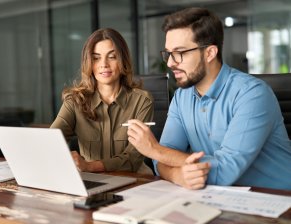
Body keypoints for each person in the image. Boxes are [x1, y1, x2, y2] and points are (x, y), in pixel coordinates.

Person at [127, 7, 291, 190]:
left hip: (278, 201)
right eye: (168, 53)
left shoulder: (253, 94)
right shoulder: (182, 97)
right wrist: (177, 175)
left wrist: (154, 149)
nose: (170, 63)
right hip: (222, 199)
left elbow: (223, 171)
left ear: (210, 53)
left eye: (180, 52)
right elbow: (162, 161)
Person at [50, 28, 154, 174]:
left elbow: (133, 157)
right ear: (89, 62)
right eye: (96, 58)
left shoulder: (142, 100)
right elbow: (52, 139)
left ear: (123, 60)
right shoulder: (74, 101)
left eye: (112, 57)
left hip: (134, 179)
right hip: (93, 181)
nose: (104, 64)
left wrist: (90, 166)